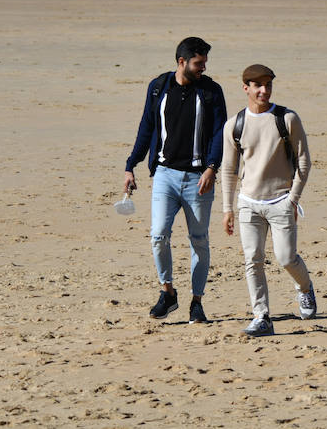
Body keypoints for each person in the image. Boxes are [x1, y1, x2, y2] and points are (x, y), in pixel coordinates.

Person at [123, 36, 228, 324]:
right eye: (198, 63)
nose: (202, 68)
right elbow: (147, 125)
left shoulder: (211, 92)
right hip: (165, 176)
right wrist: (131, 165)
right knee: (158, 235)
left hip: (199, 180)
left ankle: (196, 302)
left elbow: (220, 132)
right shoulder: (159, 88)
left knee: (199, 241)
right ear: (181, 62)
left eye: (204, 63)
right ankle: (168, 292)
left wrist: (211, 168)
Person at [221, 64, 316, 337]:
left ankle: (305, 289)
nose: (264, 90)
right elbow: (228, 169)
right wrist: (228, 208)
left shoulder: (286, 119)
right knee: (253, 260)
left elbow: (304, 161)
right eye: (258, 85)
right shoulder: (234, 125)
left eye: (268, 85)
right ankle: (262, 317)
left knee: (286, 258)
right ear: (246, 88)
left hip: (281, 201)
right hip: (248, 204)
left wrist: (293, 198)